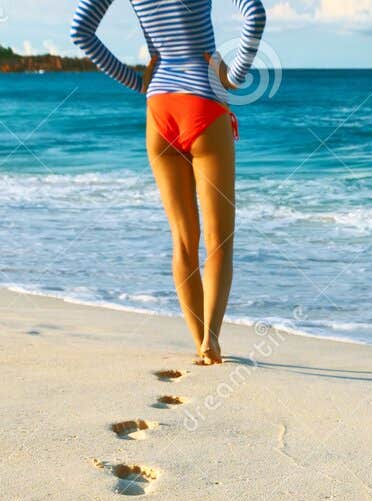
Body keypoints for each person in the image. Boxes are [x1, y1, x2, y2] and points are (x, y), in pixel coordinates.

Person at [71, 0, 266, 365]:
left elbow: (80, 31)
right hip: (204, 102)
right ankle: (211, 341)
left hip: (159, 107)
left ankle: (199, 344)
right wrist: (234, 77)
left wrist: (135, 81)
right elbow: (254, 15)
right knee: (218, 241)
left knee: (182, 240)